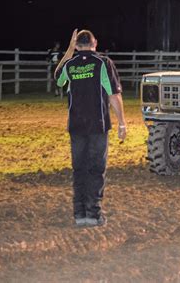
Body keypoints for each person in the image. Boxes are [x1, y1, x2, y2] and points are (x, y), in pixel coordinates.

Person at [54, 29, 127, 227]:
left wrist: (69, 51)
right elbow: (113, 95)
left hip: (76, 126)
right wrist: (122, 122)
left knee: (79, 169)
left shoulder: (69, 64)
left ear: (77, 45)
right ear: (95, 43)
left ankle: (79, 213)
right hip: (98, 125)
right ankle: (94, 214)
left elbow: (57, 77)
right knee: (96, 168)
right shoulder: (103, 63)